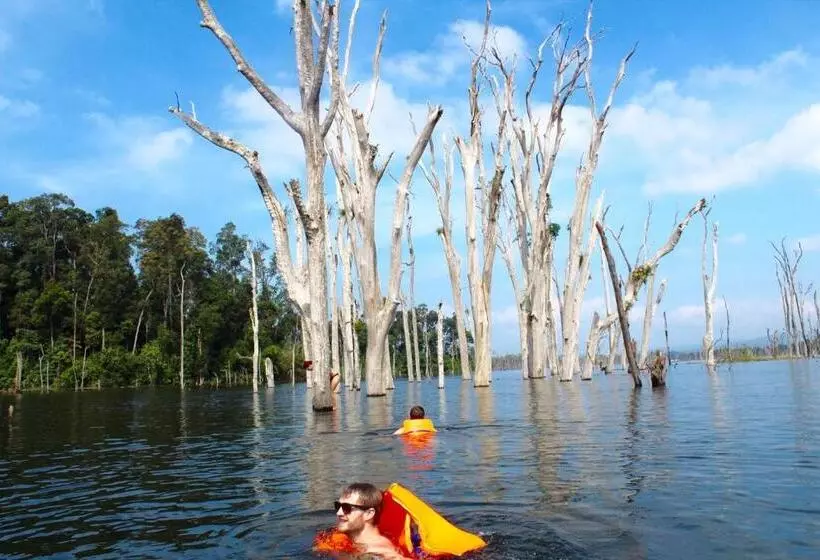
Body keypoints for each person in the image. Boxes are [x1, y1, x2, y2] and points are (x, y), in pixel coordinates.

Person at [333, 482, 413, 559]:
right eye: (338, 506)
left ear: (369, 513)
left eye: (346, 508)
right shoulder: (345, 538)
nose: (339, 513)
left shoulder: (379, 550)